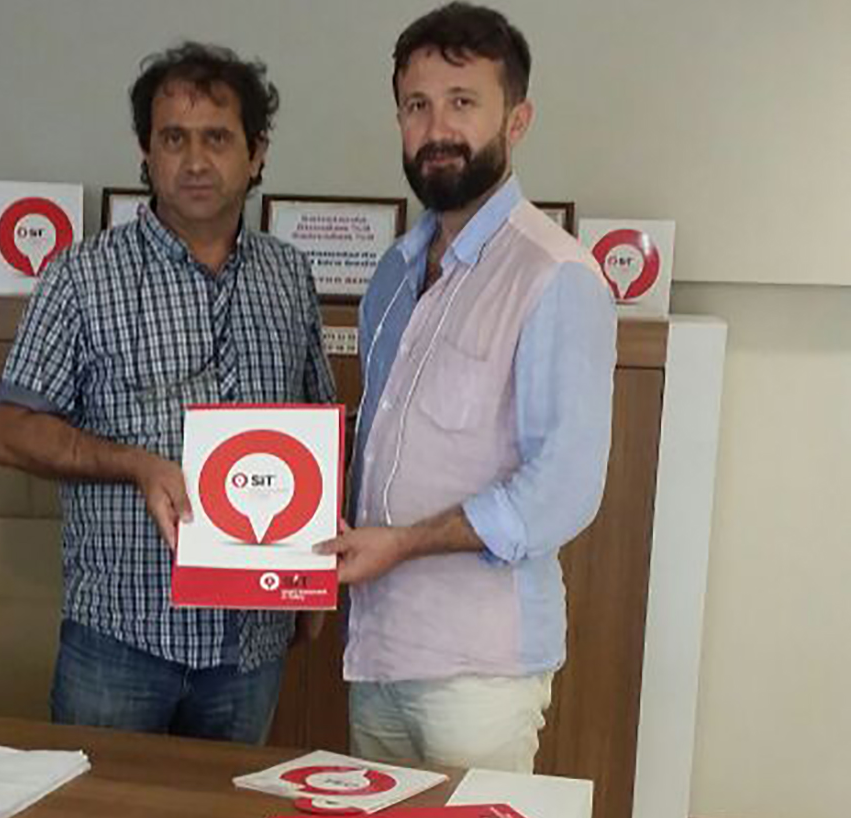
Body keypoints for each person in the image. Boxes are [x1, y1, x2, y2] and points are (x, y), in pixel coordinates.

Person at [0, 42, 335, 744]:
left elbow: (318, 428)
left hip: (251, 641)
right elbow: (10, 431)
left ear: (257, 153)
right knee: (100, 797)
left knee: (225, 799)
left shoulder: (289, 276)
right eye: (174, 139)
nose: (195, 160)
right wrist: (138, 465)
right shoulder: (82, 276)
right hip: (121, 637)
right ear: (146, 153)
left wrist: (318, 575)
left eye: (217, 138)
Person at [315, 2, 617, 772]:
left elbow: (563, 489)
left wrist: (405, 545)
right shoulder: (392, 274)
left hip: (478, 672)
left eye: (462, 102)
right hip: (377, 651)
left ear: (516, 120)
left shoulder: (555, 276)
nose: (437, 127)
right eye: (417, 105)